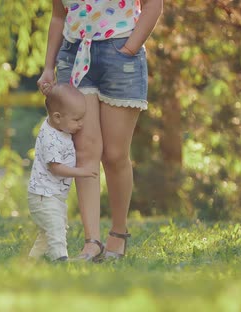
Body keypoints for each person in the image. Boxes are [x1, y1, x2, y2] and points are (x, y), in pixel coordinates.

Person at [37, 0, 163, 261]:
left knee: (115, 155)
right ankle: (91, 243)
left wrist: (129, 47)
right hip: (74, 54)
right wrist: (49, 67)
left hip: (120, 53)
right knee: (85, 152)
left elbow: (153, 5)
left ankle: (118, 235)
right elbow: (59, 17)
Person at [27, 83, 99, 262]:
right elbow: (56, 168)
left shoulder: (59, 128)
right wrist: (81, 172)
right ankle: (60, 260)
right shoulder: (50, 138)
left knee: (48, 232)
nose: (81, 124)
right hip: (44, 196)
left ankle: (32, 260)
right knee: (56, 228)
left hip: (52, 196)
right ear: (57, 117)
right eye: (76, 120)